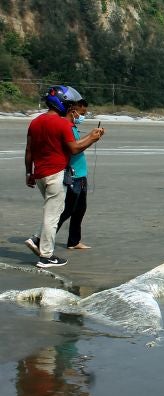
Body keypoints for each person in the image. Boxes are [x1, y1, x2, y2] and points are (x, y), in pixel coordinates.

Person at [24, 85, 105, 268]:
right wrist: (92, 138)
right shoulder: (62, 123)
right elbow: (74, 148)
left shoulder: (35, 122)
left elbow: (29, 150)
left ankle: (42, 247)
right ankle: (46, 256)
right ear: (61, 103)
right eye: (69, 105)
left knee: (52, 212)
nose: (70, 108)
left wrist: (29, 172)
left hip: (40, 174)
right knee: (52, 215)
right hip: (55, 174)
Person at [55, 98, 92, 250]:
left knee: (80, 209)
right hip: (73, 175)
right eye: (81, 113)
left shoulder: (73, 127)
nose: (82, 116)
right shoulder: (65, 127)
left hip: (81, 175)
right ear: (73, 109)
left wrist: (91, 136)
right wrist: (92, 139)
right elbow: (74, 149)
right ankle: (40, 238)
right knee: (67, 210)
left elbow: (77, 144)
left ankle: (74, 241)